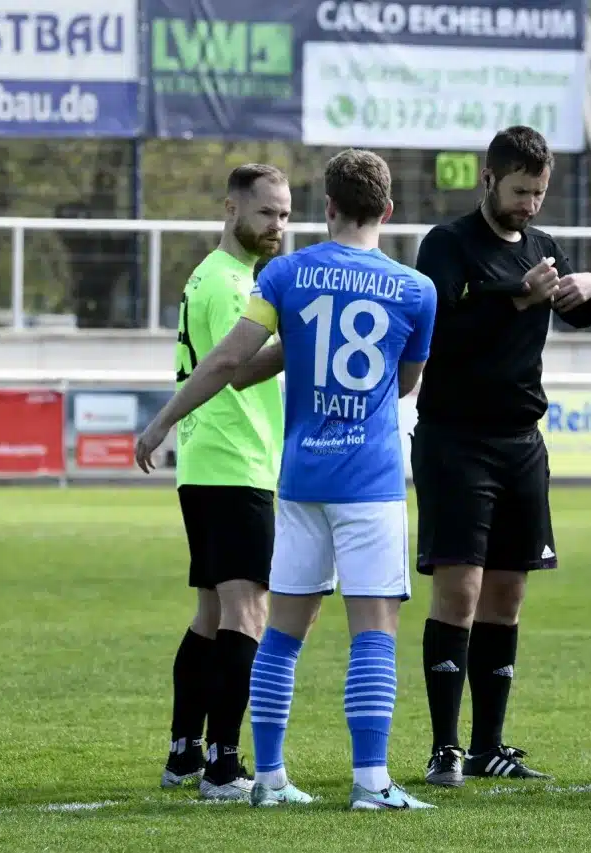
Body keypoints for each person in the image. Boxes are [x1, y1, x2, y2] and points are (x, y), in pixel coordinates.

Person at [135, 148, 439, 811]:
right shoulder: (418, 290)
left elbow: (229, 365)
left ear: (326, 206)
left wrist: (160, 424)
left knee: (280, 633)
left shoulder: (287, 276)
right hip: (370, 478)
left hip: (299, 476)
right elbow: (406, 384)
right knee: (374, 627)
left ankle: (267, 777)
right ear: (386, 210)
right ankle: (371, 781)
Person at [411, 126, 591, 786]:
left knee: (507, 592)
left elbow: (582, 312)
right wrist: (513, 297)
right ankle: (445, 746)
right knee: (459, 588)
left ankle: (490, 742)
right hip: (455, 437)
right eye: (522, 191)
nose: (531, 204)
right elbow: (436, 324)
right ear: (488, 180)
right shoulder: (448, 244)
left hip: (522, 441)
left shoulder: (546, 248)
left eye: (540, 192)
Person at [158, 163, 292, 801]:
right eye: (266, 213)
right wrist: (298, 344)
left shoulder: (210, 277)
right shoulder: (232, 285)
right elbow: (234, 369)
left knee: (211, 613)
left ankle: (185, 752)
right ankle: (223, 764)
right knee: (248, 611)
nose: (278, 227)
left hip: (207, 463)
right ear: (232, 210)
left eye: (286, 215)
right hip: (235, 463)